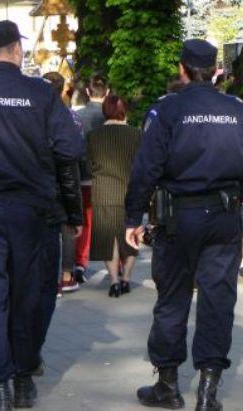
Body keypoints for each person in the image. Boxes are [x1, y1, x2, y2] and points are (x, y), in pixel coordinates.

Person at [0, 20, 83, 410]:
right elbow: (71, 148)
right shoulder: (40, 93)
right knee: (31, 295)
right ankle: (22, 377)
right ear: (18, 50)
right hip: (32, 212)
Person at [125, 39, 243, 410]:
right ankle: (207, 392)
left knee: (172, 298)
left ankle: (168, 385)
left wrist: (133, 217)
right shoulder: (236, 109)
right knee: (218, 299)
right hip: (224, 217)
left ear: (182, 69)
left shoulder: (168, 109)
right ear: (215, 71)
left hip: (178, 219)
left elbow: (146, 167)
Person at [88, 95, 141, 297]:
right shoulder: (136, 134)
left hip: (103, 192)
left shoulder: (94, 136)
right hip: (130, 191)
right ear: (123, 111)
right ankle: (126, 278)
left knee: (109, 239)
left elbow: (88, 165)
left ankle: (114, 282)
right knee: (131, 236)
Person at [42, 71, 84, 294]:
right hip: (66, 177)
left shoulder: (36, 116)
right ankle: (67, 275)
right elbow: (77, 152)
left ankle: (48, 278)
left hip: (42, 181)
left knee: (45, 230)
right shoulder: (71, 118)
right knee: (68, 228)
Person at [70, 74, 108, 284]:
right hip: (106, 176)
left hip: (83, 176)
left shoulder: (77, 116)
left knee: (84, 221)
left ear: (87, 92)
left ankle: (80, 262)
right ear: (107, 92)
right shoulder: (111, 115)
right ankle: (117, 265)